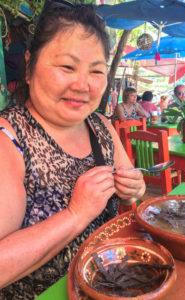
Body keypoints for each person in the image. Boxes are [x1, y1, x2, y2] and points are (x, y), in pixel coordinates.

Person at [0, 2, 146, 299]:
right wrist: (76, 213)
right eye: (67, 67)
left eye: (96, 71)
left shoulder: (102, 126)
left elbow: (133, 187)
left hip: (113, 283)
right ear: (29, 67)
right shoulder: (8, 138)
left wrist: (134, 189)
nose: (83, 85)